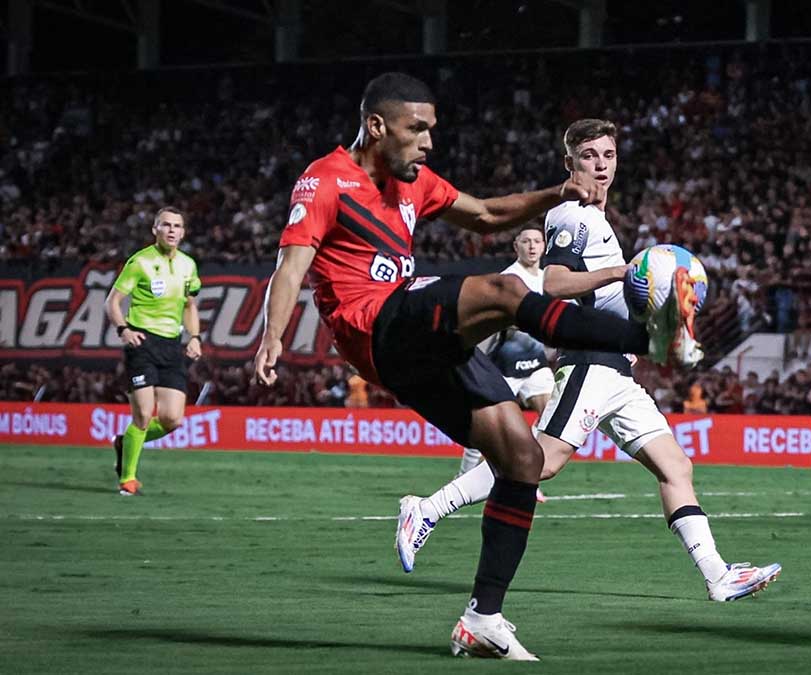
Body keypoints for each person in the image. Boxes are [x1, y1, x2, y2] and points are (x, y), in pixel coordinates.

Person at [252, 74, 696, 661]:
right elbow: (290, 267)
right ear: (378, 126)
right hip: (373, 323)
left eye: (431, 129)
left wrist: (558, 194)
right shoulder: (326, 179)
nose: (429, 142)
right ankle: (649, 338)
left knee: (524, 460)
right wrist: (271, 338)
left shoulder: (414, 182)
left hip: (418, 350)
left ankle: (482, 618)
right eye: (418, 130)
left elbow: (486, 214)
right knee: (506, 289)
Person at [396, 118, 781, 603]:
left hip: (618, 371)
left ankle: (718, 575)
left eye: (608, 156)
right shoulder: (571, 216)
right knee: (540, 462)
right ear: (569, 164)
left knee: (675, 467)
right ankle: (427, 508)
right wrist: (623, 272)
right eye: (588, 156)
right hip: (589, 363)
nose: (600, 166)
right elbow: (553, 283)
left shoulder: (599, 221)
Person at [105, 206, 203, 496]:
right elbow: (112, 302)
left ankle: (125, 442)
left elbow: (190, 305)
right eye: (166, 225)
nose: (172, 230)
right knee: (144, 415)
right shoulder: (140, 262)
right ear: (155, 230)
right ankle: (128, 479)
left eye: (177, 226)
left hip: (172, 346)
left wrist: (195, 336)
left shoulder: (188, 265)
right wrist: (124, 330)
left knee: (173, 419)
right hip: (143, 343)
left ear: (183, 232)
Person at [456, 225, 554, 503]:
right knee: (484, 426)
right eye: (526, 241)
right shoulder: (509, 278)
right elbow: (494, 316)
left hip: (535, 362)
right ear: (516, 246)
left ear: (544, 246)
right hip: (506, 362)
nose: (532, 246)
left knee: (549, 417)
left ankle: (527, 480)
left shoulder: (550, 278)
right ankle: (463, 477)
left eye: (537, 241)